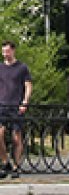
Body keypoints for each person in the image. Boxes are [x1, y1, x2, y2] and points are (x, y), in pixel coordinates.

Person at [0, 40, 33, 179]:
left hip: (16, 105)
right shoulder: (0, 67)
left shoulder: (22, 67)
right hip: (2, 105)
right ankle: (4, 161)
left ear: (13, 51)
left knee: (16, 138)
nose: (5, 54)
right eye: (3, 52)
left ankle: (16, 166)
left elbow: (28, 85)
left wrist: (25, 101)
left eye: (7, 51)